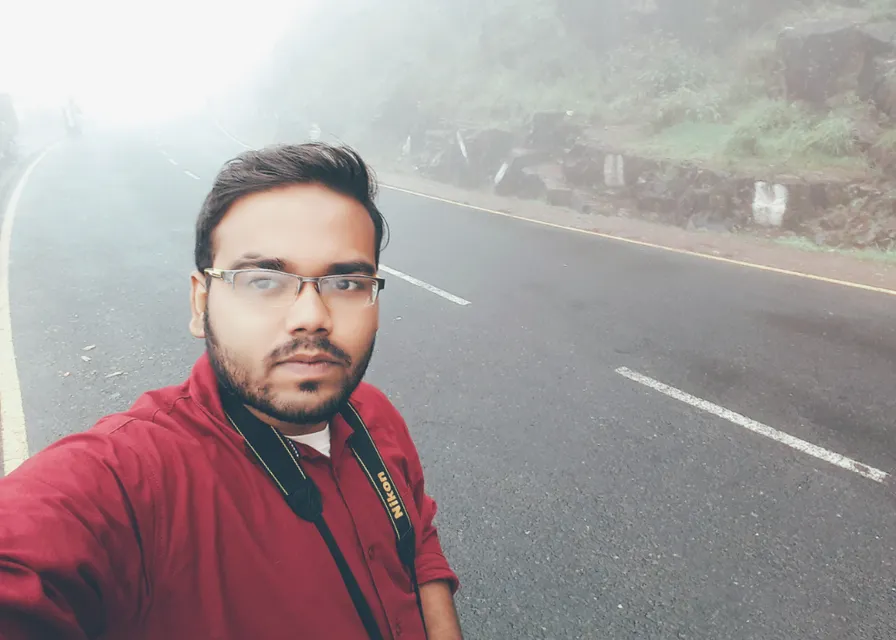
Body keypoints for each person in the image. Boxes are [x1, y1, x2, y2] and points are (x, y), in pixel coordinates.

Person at [0, 142, 463, 640]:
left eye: (347, 283)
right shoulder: (134, 478)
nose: (311, 316)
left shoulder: (375, 415)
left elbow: (417, 547)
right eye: (263, 280)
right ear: (202, 303)